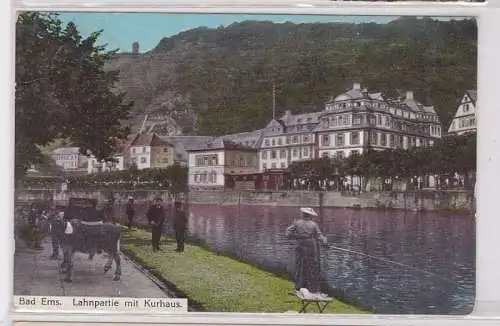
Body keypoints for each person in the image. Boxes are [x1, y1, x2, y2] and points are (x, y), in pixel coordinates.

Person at [285, 207, 327, 294]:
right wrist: (324, 240)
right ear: (310, 216)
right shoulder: (314, 224)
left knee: (299, 265)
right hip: (311, 247)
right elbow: (320, 236)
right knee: (311, 266)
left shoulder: (297, 223)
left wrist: (297, 237)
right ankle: (311, 288)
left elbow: (288, 234)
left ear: (303, 214)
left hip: (300, 245)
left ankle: (299, 287)